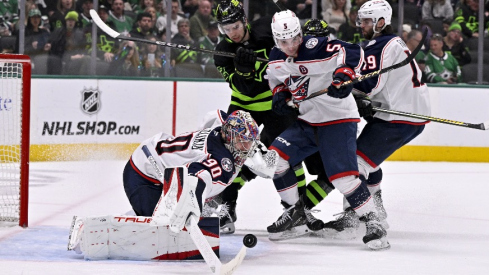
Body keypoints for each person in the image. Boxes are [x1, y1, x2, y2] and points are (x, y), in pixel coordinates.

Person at [262, 9, 392, 251]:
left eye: (294, 39)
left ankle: (373, 222)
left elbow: (352, 51)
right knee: (273, 160)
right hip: (308, 122)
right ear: (276, 39)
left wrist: (344, 75)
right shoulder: (275, 56)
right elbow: (276, 78)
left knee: (342, 178)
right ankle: (295, 215)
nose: (290, 46)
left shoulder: (315, 46)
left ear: (300, 34)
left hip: (338, 120)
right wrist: (279, 94)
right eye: (283, 41)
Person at [321, 0, 430, 244]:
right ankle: (376, 208)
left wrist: (343, 85)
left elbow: (371, 83)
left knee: (354, 165)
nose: (362, 25)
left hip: (399, 117)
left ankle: (354, 218)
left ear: (382, 22)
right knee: (366, 160)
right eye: (361, 20)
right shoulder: (390, 42)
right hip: (399, 113)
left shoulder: (382, 45)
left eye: (367, 21)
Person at [213, 0, 300, 235]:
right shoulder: (222, 52)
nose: (232, 33)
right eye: (226, 29)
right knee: (230, 155)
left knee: (287, 154)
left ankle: (298, 209)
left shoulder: (266, 31)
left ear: (245, 21)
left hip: (275, 104)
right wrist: (243, 70)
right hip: (243, 106)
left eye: (235, 26)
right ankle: (227, 208)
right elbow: (245, 89)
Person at [123, 110, 260, 219]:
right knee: (162, 224)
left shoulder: (220, 127)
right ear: (229, 137)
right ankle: (128, 220)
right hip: (143, 173)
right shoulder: (223, 162)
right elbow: (193, 175)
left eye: (249, 141)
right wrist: (190, 206)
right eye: (242, 141)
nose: (247, 147)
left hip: (154, 149)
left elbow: (214, 115)